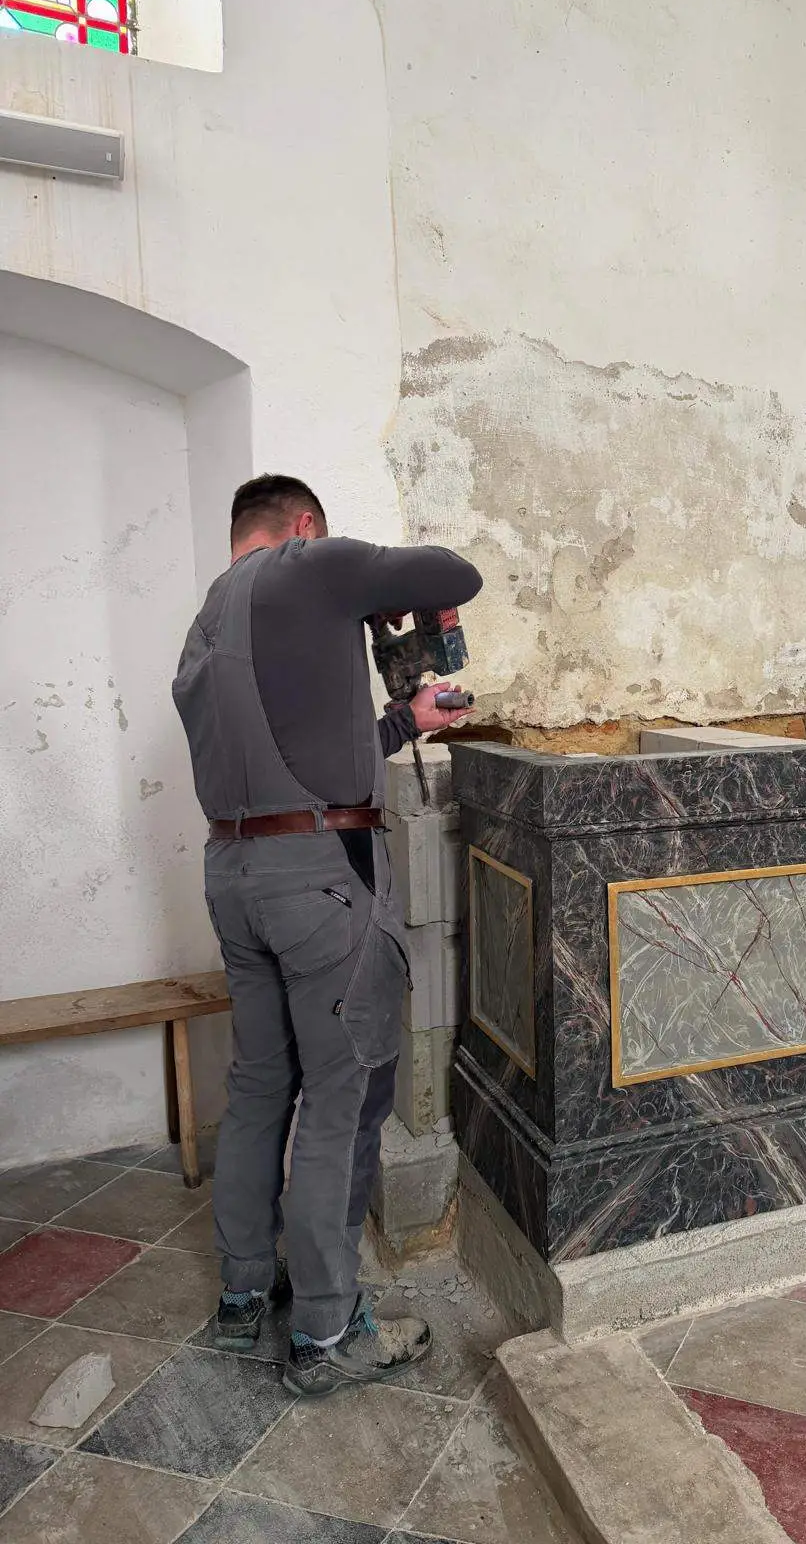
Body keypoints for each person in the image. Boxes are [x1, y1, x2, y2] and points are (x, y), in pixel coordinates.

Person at [172, 474, 482, 1398]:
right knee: (341, 1101)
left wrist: (403, 721)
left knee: (260, 1085)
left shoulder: (206, 622)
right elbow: (455, 573)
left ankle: (243, 1296)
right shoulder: (307, 564)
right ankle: (326, 1331)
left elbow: (300, 758)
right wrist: (391, 591)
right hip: (319, 883)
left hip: (235, 874)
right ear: (303, 525)